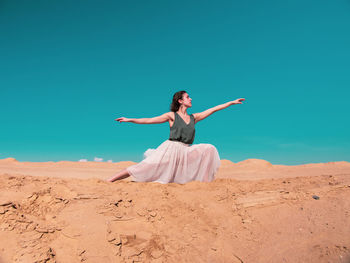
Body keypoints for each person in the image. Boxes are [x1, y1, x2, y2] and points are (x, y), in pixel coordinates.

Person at [107, 91, 245, 184]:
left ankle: (204, 183)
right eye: (187, 97)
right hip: (170, 149)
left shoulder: (194, 117)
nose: (190, 99)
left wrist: (231, 102)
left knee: (209, 149)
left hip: (185, 150)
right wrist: (129, 119)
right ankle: (109, 181)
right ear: (180, 101)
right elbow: (149, 120)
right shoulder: (172, 116)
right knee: (144, 167)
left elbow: (213, 109)